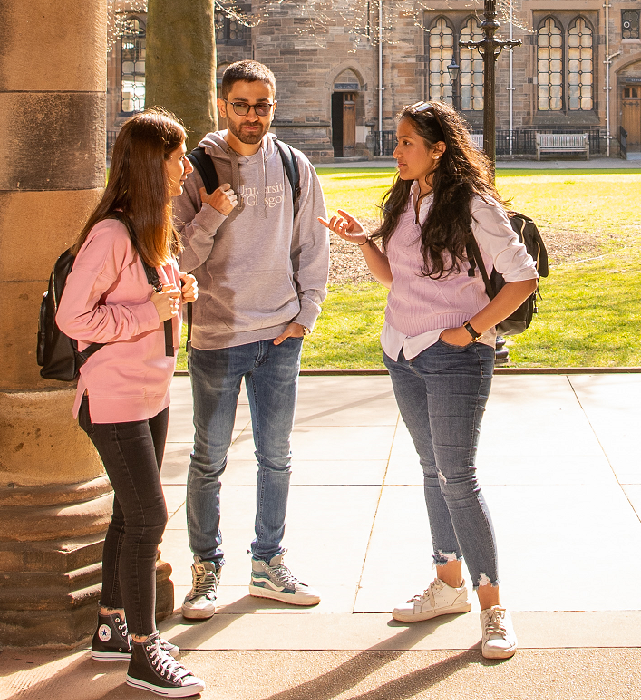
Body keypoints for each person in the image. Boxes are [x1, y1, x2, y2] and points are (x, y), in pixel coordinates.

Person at [320, 100, 538, 660]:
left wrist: (470, 331)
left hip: (454, 357)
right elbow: (396, 277)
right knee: (430, 470)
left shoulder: (472, 202)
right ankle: (447, 586)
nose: (396, 151)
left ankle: (493, 609)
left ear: (439, 148)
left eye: (407, 142)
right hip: (402, 351)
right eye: (397, 141)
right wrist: (363, 241)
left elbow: (523, 278)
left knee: (458, 478)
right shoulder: (406, 195)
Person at [171, 60, 329, 620]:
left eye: (262, 106)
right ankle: (205, 568)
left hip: (280, 336)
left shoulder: (293, 165)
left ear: (273, 107)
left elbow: (311, 247)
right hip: (217, 336)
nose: (252, 116)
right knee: (209, 458)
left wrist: (304, 315)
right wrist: (211, 216)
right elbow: (176, 263)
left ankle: (268, 563)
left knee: (276, 458)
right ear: (222, 105)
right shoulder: (194, 170)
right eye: (242, 105)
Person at [56, 108, 204, 698]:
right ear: (151, 165)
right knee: (149, 518)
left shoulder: (150, 230)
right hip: (114, 396)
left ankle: (112, 625)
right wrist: (152, 312)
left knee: (128, 512)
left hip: (150, 391)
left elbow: (147, 299)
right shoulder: (111, 234)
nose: (185, 168)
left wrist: (178, 292)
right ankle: (145, 653)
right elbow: (74, 316)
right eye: (177, 158)